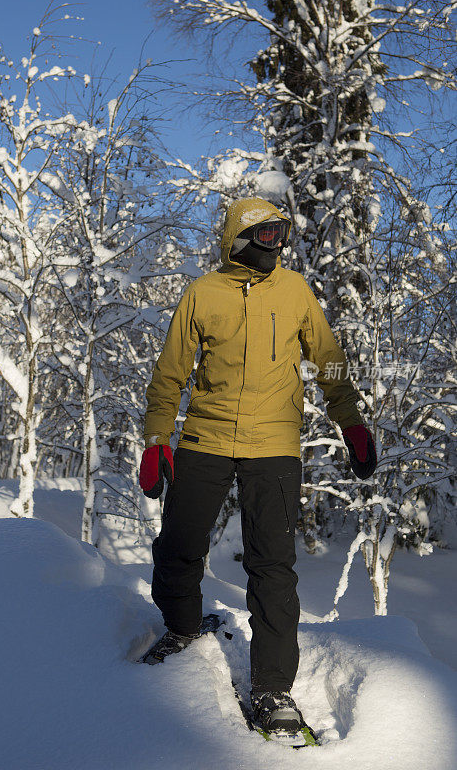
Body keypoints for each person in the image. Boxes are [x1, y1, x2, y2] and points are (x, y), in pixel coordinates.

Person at [138, 197, 377, 736]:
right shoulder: (202, 293)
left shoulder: (294, 291)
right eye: (266, 235)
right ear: (241, 237)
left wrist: (351, 419)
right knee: (178, 546)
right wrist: (158, 440)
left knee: (272, 568)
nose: (276, 245)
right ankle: (181, 629)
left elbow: (329, 356)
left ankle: (273, 690)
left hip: (274, 445)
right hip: (207, 436)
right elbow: (169, 373)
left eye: (281, 235)